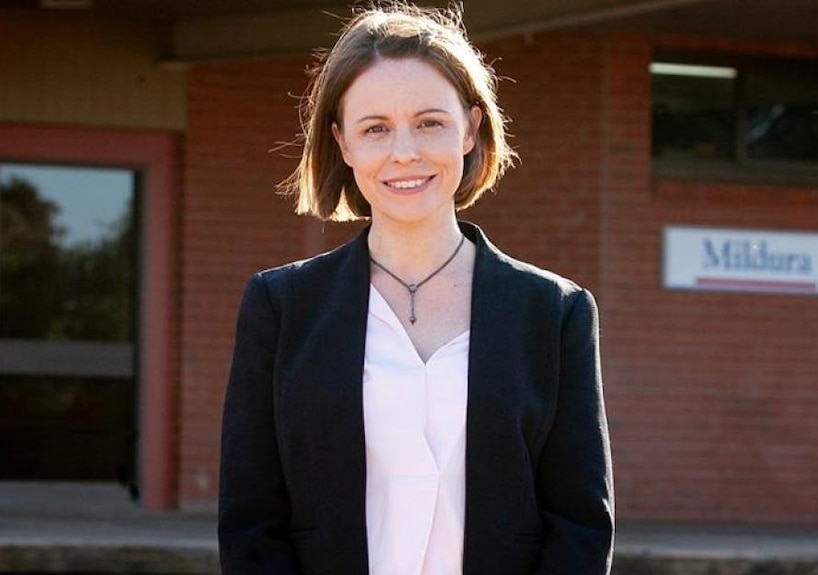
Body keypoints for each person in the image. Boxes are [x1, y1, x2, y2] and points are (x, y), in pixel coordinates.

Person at [218, 3, 614, 574]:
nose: (404, 151)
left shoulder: (555, 313)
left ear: (471, 129)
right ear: (343, 143)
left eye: (429, 122)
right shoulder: (281, 308)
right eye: (375, 128)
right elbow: (251, 521)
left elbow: (580, 525)